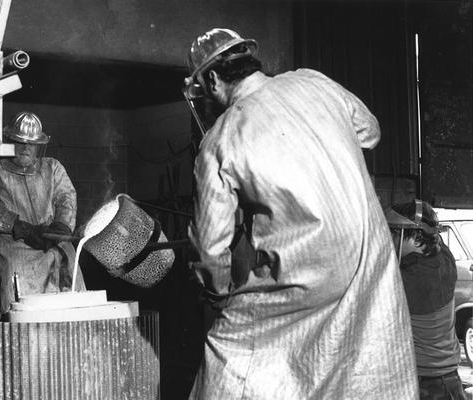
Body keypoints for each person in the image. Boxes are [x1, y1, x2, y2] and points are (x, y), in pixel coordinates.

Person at [184, 28, 418, 399]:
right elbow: (369, 132)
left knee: (227, 357)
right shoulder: (313, 80)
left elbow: (211, 250)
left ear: (211, 79)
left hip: (304, 275)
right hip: (369, 259)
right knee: (360, 371)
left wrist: (217, 294)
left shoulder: (219, 139)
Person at [0, 111, 85, 313]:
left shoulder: (52, 167)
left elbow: (66, 198)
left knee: (68, 263)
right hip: (15, 245)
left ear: (38, 145)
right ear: (8, 140)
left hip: (52, 240)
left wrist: (61, 226)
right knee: (20, 300)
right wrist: (20, 228)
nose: (26, 148)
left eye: (31, 143)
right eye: (20, 142)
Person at [386, 199, 466, 400]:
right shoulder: (445, 261)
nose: (390, 240)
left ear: (412, 235)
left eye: (394, 233)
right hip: (448, 383)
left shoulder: (412, 280)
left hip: (428, 387)